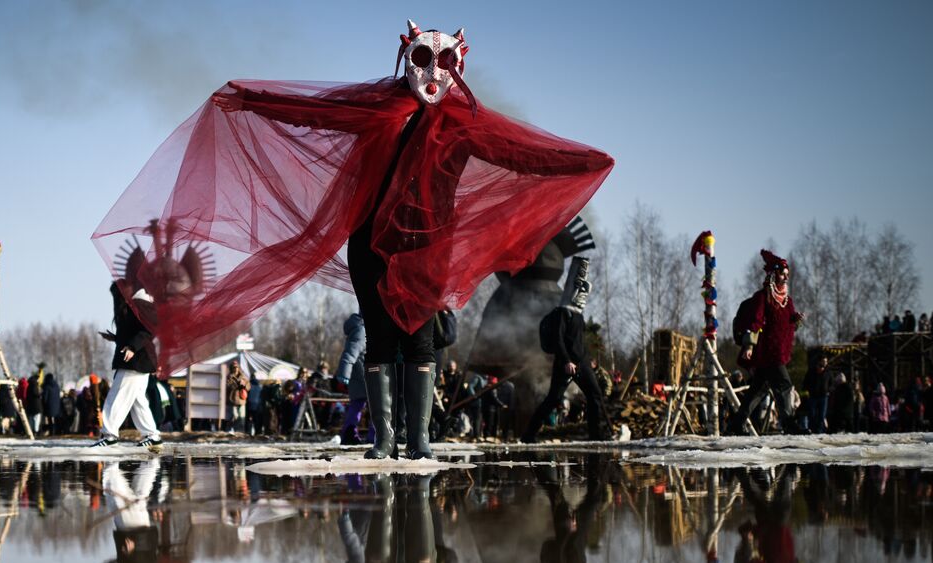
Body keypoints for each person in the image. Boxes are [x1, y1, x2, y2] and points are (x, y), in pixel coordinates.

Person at [97, 22, 612, 458]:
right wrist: (250, 100)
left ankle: (419, 440)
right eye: (424, 57)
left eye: (446, 60)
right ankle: (385, 439)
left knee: (422, 340)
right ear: (406, 57)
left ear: (459, 66)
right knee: (382, 337)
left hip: (427, 250)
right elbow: (314, 111)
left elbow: (523, 155)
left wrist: (584, 163)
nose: (435, 71)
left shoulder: (464, 128)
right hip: (369, 243)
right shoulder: (377, 109)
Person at [522, 256, 610, 442]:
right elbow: (559, 339)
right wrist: (566, 361)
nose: (583, 295)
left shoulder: (578, 315)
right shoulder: (562, 313)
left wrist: (585, 360)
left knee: (595, 396)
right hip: (566, 363)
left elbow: (577, 341)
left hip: (582, 362)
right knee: (553, 399)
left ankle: (597, 436)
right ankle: (529, 435)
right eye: (581, 290)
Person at [727, 249, 803, 435]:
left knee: (758, 391)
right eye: (781, 274)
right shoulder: (762, 298)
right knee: (784, 385)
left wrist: (795, 319)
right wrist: (749, 345)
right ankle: (789, 424)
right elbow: (756, 322)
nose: (785, 278)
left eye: (787, 274)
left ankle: (737, 424)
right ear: (773, 274)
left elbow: (786, 324)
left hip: (779, 352)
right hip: (768, 352)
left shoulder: (787, 301)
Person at [93, 283, 162, 450]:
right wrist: (116, 338)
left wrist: (132, 347)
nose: (114, 299)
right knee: (138, 401)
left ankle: (110, 436)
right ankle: (152, 435)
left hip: (135, 361)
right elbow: (133, 332)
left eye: (115, 295)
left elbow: (148, 330)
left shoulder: (139, 303)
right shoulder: (131, 306)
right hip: (138, 360)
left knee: (116, 397)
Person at [334, 311, 371, 445]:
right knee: (374, 406)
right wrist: (344, 374)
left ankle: (350, 432)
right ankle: (372, 435)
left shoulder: (360, 328)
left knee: (357, 405)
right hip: (364, 376)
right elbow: (350, 353)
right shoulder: (362, 330)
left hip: (359, 375)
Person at [802, 355, 831, 434]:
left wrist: (828, 391)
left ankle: (820, 431)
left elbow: (831, 383)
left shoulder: (828, 371)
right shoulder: (812, 371)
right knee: (812, 414)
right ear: (820, 361)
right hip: (813, 396)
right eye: (823, 361)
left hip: (824, 396)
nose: (825, 363)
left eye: (826, 362)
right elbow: (805, 382)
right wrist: (807, 391)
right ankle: (812, 429)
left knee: (822, 415)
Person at [226, 358, 249, 433]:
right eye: (234, 367)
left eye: (237, 367)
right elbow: (226, 387)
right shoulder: (228, 377)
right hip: (232, 400)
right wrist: (234, 385)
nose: (235, 369)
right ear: (231, 368)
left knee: (241, 418)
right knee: (233, 417)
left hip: (241, 400)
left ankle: (240, 432)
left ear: (239, 368)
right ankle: (231, 430)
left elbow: (248, 387)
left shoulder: (243, 377)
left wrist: (244, 385)